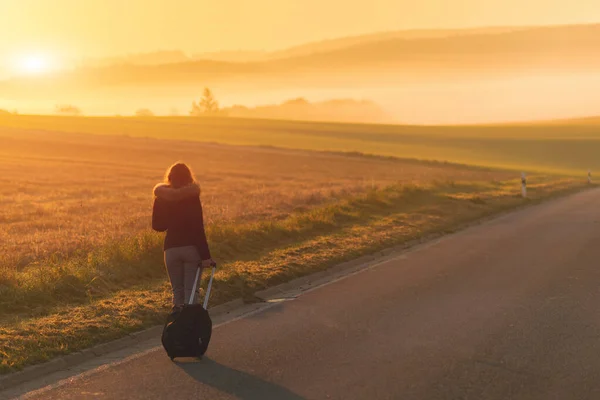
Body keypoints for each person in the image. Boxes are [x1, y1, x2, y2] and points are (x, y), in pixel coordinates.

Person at [151, 162, 214, 311]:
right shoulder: (192, 196)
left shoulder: (161, 197)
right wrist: (206, 257)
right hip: (191, 249)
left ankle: (178, 328)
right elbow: (198, 228)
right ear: (189, 178)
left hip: (170, 250)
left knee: (177, 293)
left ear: (170, 177)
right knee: (191, 294)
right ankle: (190, 330)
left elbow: (158, 227)